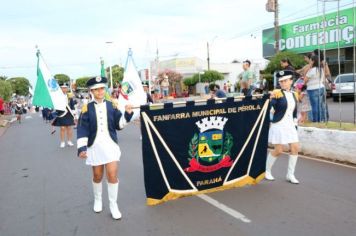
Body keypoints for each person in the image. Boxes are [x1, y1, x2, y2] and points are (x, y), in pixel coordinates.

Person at [77, 76, 133, 220]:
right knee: (97, 176)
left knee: (112, 175)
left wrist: (127, 114)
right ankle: (98, 199)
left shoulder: (112, 105)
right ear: (92, 91)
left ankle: (113, 205)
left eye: (102, 88)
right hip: (95, 147)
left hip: (110, 145)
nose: (100, 91)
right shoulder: (86, 108)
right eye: (96, 89)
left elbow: (119, 125)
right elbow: (82, 129)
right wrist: (82, 148)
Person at [265, 70, 300, 184]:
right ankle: (267, 171)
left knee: (295, 148)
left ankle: (290, 174)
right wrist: (270, 99)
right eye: (281, 81)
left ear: (291, 81)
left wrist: (295, 123)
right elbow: (271, 106)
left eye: (285, 81)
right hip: (279, 125)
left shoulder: (295, 94)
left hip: (290, 124)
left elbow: (294, 111)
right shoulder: (277, 93)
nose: (283, 83)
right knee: (279, 150)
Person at [52, 83, 76, 148]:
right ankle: (62, 142)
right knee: (62, 128)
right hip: (62, 113)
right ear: (60, 89)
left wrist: (73, 111)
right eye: (63, 88)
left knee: (69, 128)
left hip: (69, 113)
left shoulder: (69, 95)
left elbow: (72, 104)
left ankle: (69, 141)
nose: (64, 89)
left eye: (65, 88)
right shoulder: (58, 96)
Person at [304, 55, 327, 122]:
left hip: (312, 89)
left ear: (313, 61)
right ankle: (321, 120)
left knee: (314, 106)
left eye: (310, 60)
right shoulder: (321, 69)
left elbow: (305, 80)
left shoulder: (311, 70)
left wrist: (309, 66)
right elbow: (322, 80)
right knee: (319, 105)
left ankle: (316, 121)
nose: (309, 61)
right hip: (321, 88)